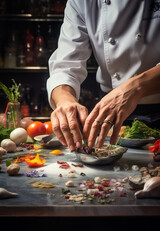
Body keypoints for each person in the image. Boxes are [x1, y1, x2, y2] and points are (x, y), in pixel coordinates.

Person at [47, 0, 160, 151]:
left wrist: (136, 87)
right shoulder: (81, 2)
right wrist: (64, 100)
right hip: (108, 116)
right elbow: (66, 65)